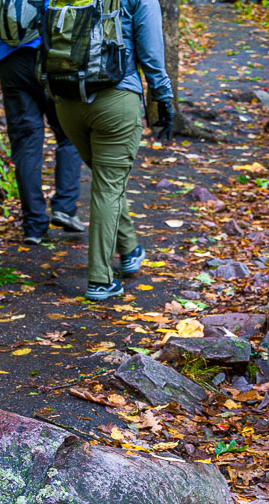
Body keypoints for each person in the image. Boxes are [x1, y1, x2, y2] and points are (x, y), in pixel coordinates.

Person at [43, 0, 174, 300]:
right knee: (109, 187)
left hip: (67, 103)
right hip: (115, 100)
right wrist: (163, 100)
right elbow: (152, 54)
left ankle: (128, 250)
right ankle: (101, 279)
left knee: (108, 182)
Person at [0, 0, 84, 245]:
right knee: (68, 134)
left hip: (11, 62)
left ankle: (34, 226)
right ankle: (65, 208)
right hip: (52, 60)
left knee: (26, 143)